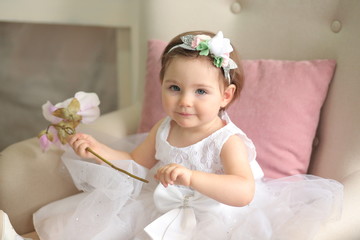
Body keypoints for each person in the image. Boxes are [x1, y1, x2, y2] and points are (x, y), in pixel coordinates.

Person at [31, 31, 343, 240]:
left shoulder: (227, 140)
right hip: (163, 206)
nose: (185, 101)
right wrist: (99, 149)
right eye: (174, 88)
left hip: (220, 218)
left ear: (226, 95)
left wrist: (191, 178)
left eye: (201, 91)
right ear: (162, 84)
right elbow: (136, 162)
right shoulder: (164, 128)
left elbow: (243, 191)